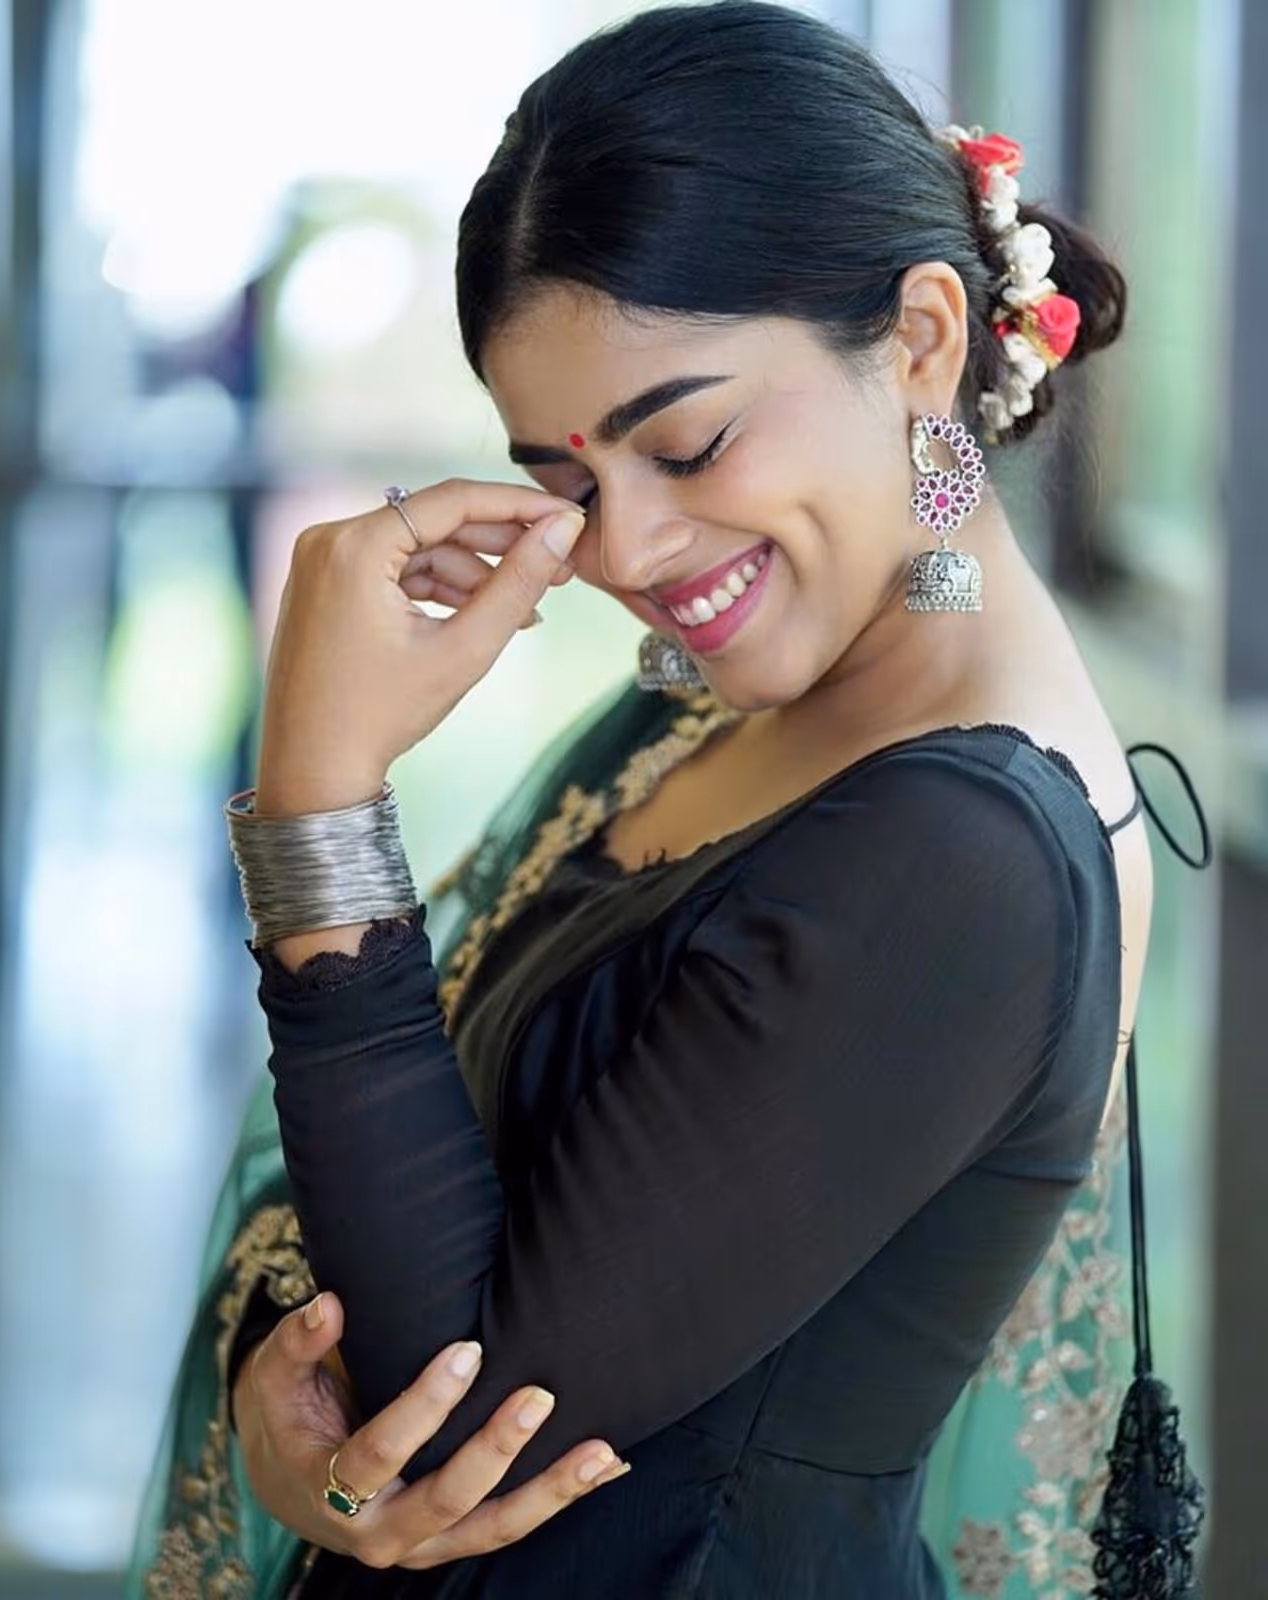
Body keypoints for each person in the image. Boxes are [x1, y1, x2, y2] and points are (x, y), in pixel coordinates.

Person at [126, 4, 1208, 1595]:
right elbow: (420, 1203)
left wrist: (319, 808)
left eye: (688, 444)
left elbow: (456, 1430)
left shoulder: (961, 852)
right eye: (567, 481)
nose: (622, 552)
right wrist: (300, 1392)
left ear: (923, 341)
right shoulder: (736, 699)